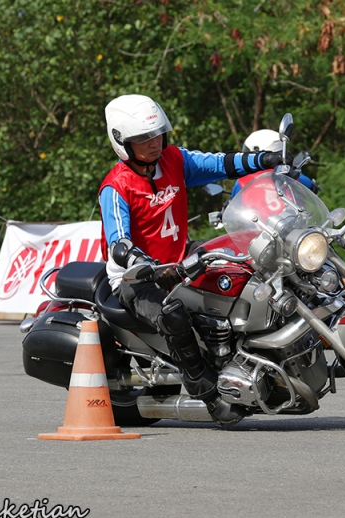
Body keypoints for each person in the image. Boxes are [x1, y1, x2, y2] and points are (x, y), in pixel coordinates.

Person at [98, 94, 286, 426]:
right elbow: (119, 243)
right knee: (172, 314)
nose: (154, 142)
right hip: (136, 277)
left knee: (243, 263)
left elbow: (220, 164)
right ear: (121, 142)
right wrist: (147, 265)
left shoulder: (175, 160)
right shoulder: (116, 187)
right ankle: (207, 392)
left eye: (157, 134)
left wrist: (264, 160)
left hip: (181, 257)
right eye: (143, 138)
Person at [229, 129, 319, 198]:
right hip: (289, 219)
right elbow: (310, 186)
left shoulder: (243, 179)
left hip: (259, 221)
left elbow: (233, 201)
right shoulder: (289, 175)